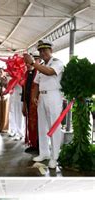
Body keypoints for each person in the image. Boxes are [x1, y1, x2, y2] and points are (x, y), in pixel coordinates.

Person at [23, 39, 65, 169]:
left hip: (54, 96)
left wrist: (32, 63)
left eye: (45, 50)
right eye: (40, 51)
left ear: (51, 50)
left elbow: (49, 72)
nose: (42, 53)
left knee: (54, 126)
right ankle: (44, 153)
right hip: (42, 97)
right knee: (42, 126)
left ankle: (55, 156)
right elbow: (36, 83)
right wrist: (35, 96)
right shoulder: (40, 66)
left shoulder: (57, 63)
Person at [22, 52, 41, 153]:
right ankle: (33, 144)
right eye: (26, 63)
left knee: (39, 125)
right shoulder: (26, 74)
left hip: (38, 103)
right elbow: (24, 92)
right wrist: (24, 105)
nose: (27, 65)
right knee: (31, 124)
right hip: (29, 103)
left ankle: (40, 146)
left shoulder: (39, 73)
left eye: (29, 62)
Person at [0, 68, 10, 133]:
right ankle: (0, 127)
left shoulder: (6, 79)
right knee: (0, 112)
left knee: (5, 111)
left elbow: (8, 87)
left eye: (1, 72)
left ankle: (5, 128)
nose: (0, 73)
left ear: (3, 72)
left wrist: (5, 83)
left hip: (5, 96)